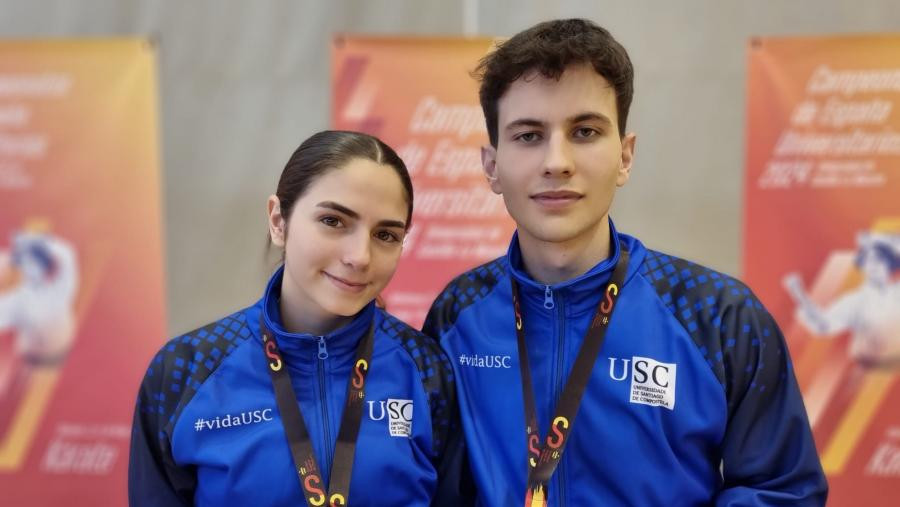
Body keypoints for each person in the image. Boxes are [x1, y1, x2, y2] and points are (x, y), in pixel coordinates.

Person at [423, 19, 828, 506]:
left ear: (625, 156)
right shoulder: (456, 314)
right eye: (529, 136)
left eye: (585, 131)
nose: (557, 161)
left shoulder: (719, 317)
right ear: (492, 166)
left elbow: (781, 491)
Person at [129, 130, 460, 506]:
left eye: (385, 234)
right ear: (278, 220)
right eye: (333, 221)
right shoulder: (185, 370)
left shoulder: (427, 371)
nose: (360, 256)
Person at [784, 231, 900, 368]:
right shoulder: (855, 301)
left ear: (889, 264)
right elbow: (823, 325)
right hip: (870, 371)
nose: (874, 266)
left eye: (879, 260)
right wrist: (799, 294)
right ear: (862, 266)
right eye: (868, 261)